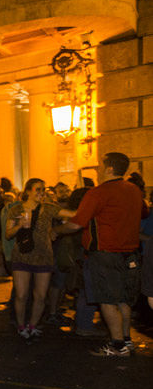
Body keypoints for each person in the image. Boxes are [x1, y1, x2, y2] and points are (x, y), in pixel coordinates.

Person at [62, 152, 147, 356]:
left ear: (109, 169)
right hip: (130, 254)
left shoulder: (99, 192)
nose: (98, 170)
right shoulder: (134, 190)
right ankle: (126, 341)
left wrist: (55, 231)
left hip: (105, 255)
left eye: (100, 166)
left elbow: (77, 223)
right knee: (124, 301)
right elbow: (144, 213)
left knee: (107, 301)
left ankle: (117, 345)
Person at [4, 178, 74, 340]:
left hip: (44, 257)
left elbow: (73, 215)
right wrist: (19, 225)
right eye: (38, 189)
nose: (41, 193)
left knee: (40, 296)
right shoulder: (16, 210)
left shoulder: (49, 208)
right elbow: (8, 234)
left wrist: (59, 229)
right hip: (22, 256)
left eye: (43, 190)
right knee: (21, 295)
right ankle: (21, 326)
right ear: (28, 191)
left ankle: (33, 326)